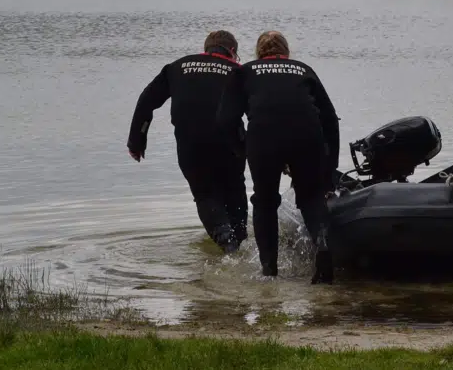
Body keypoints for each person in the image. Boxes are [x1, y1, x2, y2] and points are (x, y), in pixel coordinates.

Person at [216, 31, 338, 283]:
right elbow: (329, 118)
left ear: (259, 53)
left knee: (265, 202)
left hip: (264, 136)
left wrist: (243, 148)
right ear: (286, 51)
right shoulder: (303, 69)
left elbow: (225, 119)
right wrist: (329, 167)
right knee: (312, 198)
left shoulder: (244, 71)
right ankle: (323, 245)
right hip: (308, 135)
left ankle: (269, 271)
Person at [127, 30, 249, 252]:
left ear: (206, 49)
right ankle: (240, 242)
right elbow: (261, 109)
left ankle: (226, 240)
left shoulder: (177, 67)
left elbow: (147, 101)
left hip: (191, 145)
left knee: (204, 194)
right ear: (232, 52)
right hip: (229, 144)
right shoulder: (239, 71)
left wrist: (136, 142)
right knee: (234, 189)